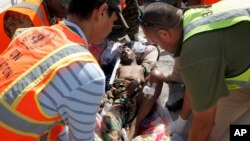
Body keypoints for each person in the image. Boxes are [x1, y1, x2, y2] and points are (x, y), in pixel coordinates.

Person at [0, 0, 129, 140]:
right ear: (102, 11)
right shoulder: (87, 71)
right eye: (113, 21)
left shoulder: (27, 33)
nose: (111, 29)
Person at [140, 1, 250, 141]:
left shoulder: (195, 53)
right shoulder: (191, 16)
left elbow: (204, 124)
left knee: (225, 135)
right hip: (243, 63)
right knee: (216, 131)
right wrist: (182, 120)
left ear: (164, 34)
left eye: (156, 42)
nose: (160, 47)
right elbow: (195, 88)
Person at [99, 46, 162, 140]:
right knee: (108, 119)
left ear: (135, 55)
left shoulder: (142, 67)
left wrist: (138, 81)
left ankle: (135, 124)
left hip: (139, 96)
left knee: (156, 75)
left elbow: (150, 80)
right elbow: (112, 87)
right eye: (123, 53)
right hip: (121, 100)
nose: (125, 52)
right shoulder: (119, 67)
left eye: (128, 50)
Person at [0, 0, 70, 53]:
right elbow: (27, 55)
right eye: (64, 2)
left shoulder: (55, 15)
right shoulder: (24, 16)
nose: (67, 8)